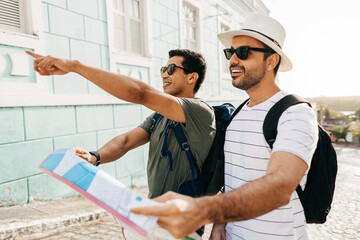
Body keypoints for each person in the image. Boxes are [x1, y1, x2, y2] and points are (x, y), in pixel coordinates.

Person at [131, 13, 319, 240]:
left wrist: (202, 210)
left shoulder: (295, 113)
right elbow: (232, 180)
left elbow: (279, 187)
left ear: (271, 61)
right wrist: (220, 225)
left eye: (243, 53)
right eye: (231, 52)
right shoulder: (238, 115)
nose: (232, 61)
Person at [26, 49, 215, 202]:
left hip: (184, 223)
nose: (165, 74)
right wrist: (94, 156)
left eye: (172, 69)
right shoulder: (160, 116)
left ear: (191, 78)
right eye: (163, 69)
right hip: (156, 216)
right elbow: (125, 141)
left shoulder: (200, 112)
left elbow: (139, 92)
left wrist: (74, 66)